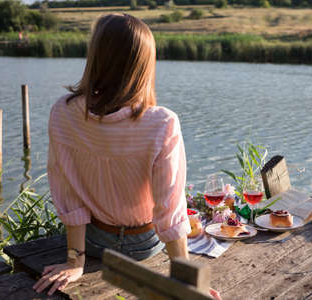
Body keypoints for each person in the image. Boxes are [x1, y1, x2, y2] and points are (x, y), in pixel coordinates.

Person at [32, 14, 220, 300]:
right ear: (143, 65)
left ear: (96, 55)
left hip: (94, 242)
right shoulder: (162, 123)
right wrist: (186, 283)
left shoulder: (63, 112)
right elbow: (169, 210)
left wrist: (75, 261)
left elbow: (67, 193)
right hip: (144, 244)